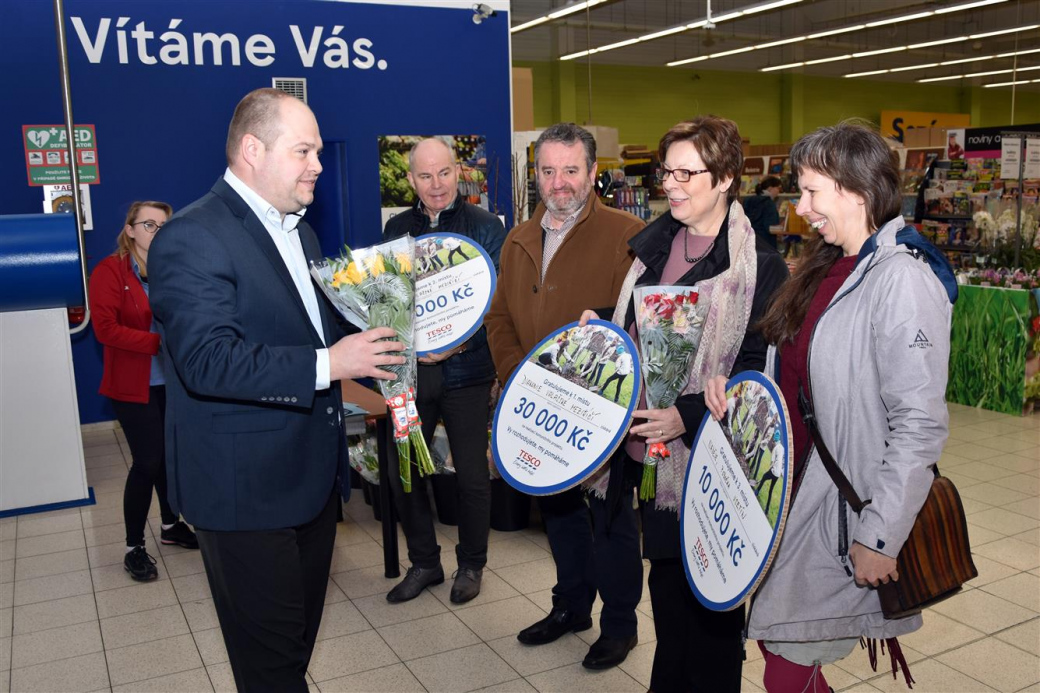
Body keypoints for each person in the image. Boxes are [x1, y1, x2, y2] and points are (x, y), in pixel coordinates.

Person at [149, 88, 405, 692]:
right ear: (251, 150)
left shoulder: (301, 233)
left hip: (310, 483)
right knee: (269, 670)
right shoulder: (190, 236)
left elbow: (320, 331)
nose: (318, 164)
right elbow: (208, 361)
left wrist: (396, 337)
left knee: (291, 652)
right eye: (304, 150)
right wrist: (330, 362)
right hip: (243, 493)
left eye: (316, 150)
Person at [705, 121, 955, 692]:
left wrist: (881, 535)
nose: (801, 207)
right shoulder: (824, 266)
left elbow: (918, 425)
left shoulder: (902, 281)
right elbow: (792, 371)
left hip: (842, 509)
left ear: (859, 190)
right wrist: (738, 390)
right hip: (790, 490)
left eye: (813, 191)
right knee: (780, 642)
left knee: (787, 662)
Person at [581, 115, 789, 692]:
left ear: (724, 178)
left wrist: (686, 415)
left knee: (715, 611)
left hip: (710, 460)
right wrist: (603, 324)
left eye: (685, 172)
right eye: (665, 171)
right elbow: (643, 326)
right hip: (648, 457)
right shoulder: (653, 247)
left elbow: (754, 366)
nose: (669, 184)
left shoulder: (759, 267)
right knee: (669, 599)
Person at [485, 122, 645, 670]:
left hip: (600, 413)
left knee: (611, 522)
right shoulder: (519, 238)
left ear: (593, 173)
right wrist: (516, 378)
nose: (559, 183)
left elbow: (641, 322)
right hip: (538, 413)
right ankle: (571, 606)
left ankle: (620, 625)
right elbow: (499, 317)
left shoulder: (629, 235)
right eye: (548, 171)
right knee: (559, 517)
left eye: (570, 171)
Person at [381, 137, 506, 605]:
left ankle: (471, 564)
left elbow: (496, 302)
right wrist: (414, 345)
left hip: (470, 372)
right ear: (411, 179)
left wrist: (455, 343)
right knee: (405, 471)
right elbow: (388, 299)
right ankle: (425, 563)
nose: (437, 185)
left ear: (458, 172)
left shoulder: (485, 225)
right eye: (426, 176)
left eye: (445, 173)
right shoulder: (396, 229)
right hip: (412, 376)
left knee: (472, 476)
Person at [89, 201, 199, 582]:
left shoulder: (172, 269)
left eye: (164, 225)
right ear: (130, 229)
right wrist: (157, 342)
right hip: (133, 385)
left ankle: (170, 526)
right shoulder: (109, 271)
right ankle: (133, 546)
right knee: (148, 461)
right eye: (149, 224)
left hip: (174, 382)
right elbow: (104, 328)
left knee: (169, 457)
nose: (157, 230)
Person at [742, 175, 783, 250]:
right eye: (778, 188)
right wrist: (782, 228)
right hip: (766, 244)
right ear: (770, 188)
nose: (779, 191)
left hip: (748, 243)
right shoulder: (769, 204)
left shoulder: (748, 200)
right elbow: (770, 228)